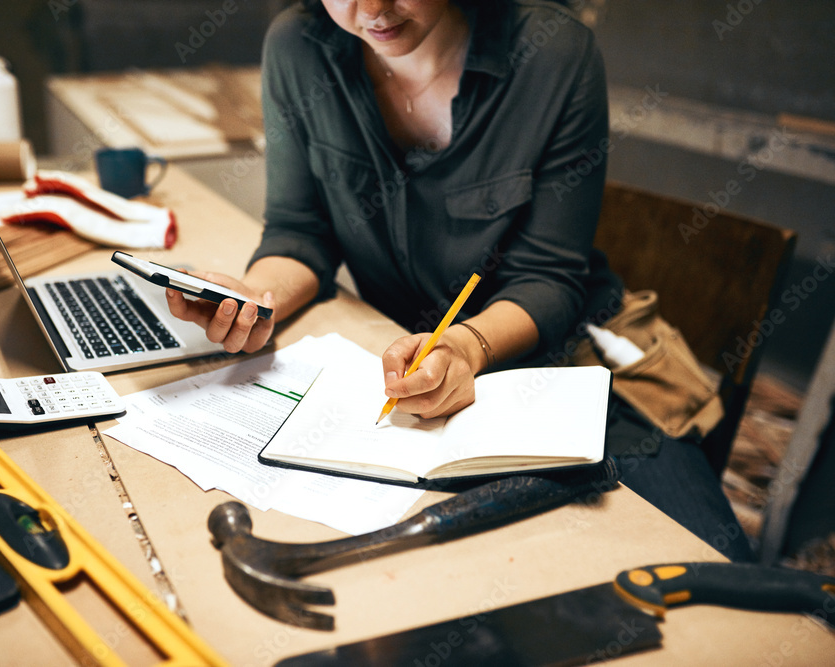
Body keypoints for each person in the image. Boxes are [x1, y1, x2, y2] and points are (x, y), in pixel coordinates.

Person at [164, 0, 754, 561]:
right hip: (409, 367)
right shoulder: (299, 48)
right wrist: (255, 298)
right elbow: (299, 233)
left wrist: (463, 346)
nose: (373, 10)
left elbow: (548, 278)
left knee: (706, 566)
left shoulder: (552, 54)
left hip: (567, 360)